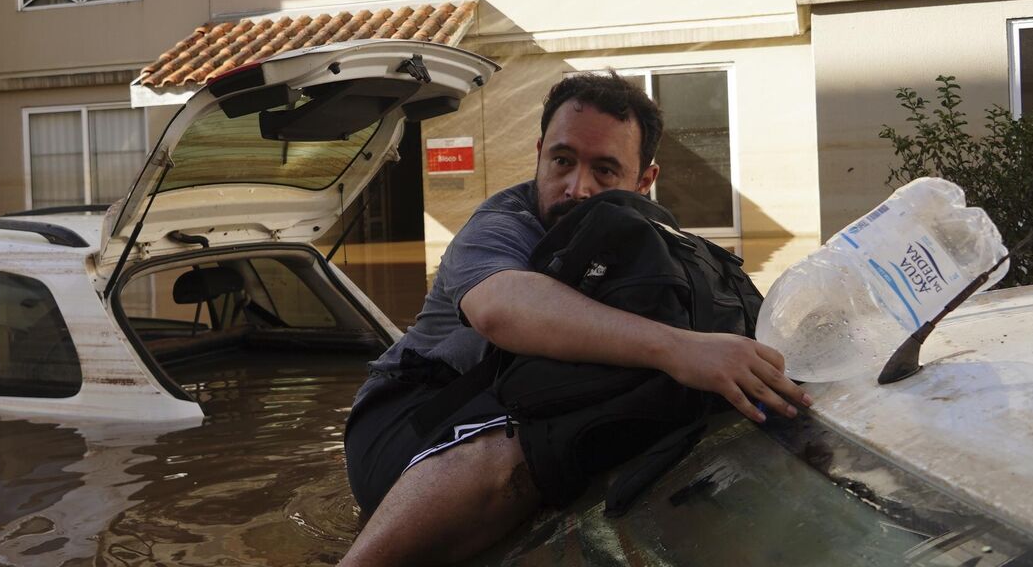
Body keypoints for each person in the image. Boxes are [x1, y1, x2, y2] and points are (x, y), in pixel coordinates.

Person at [340, 72, 811, 565]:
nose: (577, 188)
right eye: (562, 161)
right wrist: (680, 348)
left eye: (605, 171)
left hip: (505, 401)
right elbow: (501, 309)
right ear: (540, 152)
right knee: (586, 408)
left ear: (644, 181)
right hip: (409, 420)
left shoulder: (653, 241)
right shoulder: (500, 224)